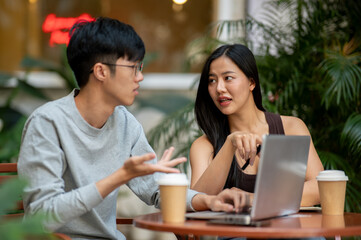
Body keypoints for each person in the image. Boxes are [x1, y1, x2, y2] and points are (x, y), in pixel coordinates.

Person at [17, 18, 249, 240]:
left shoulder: (125, 124)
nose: (140, 77)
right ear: (101, 71)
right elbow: (41, 216)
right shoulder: (47, 123)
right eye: (134, 67)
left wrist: (210, 201)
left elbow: (156, 189)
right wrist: (119, 177)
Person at [189, 44, 324, 207]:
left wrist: (252, 199)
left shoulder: (291, 128)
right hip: (234, 232)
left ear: (251, 82)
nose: (219, 88)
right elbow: (196, 202)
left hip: (290, 230)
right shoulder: (204, 146)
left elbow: (320, 188)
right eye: (212, 80)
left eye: (228, 78)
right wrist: (229, 145)